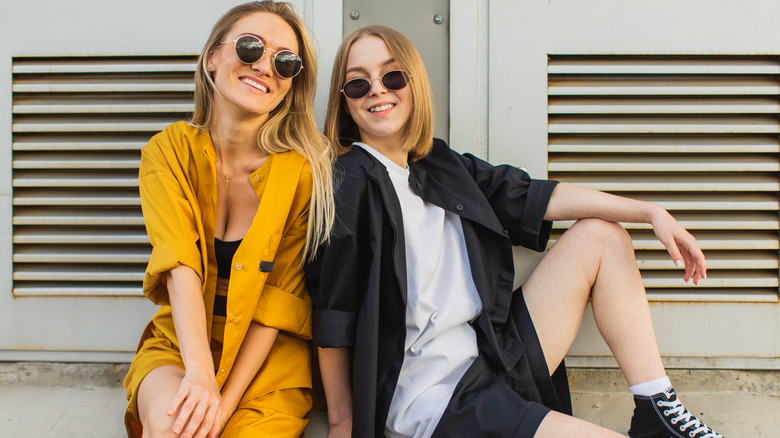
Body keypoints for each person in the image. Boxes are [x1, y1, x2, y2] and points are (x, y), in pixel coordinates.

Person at [305, 24, 725, 438]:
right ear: (344, 103)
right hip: (436, 396)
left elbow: (532, 197)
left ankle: (656, 406)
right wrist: (344, 426)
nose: (377, 89)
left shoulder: (436, 163)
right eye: (358, 84)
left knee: (603, 235)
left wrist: (652, 213)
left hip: (491, 354)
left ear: (414, 85)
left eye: (391, 76)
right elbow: (333, 317)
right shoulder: (349, 182)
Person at [122, 2, 334, 437]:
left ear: (291, 85)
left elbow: (278, 303)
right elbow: (180, 265)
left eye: (285, 61)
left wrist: (221, 403)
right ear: (212, 57)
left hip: (266, 366)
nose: (266, 66)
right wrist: (199, 373)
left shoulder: (304, 174)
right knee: (173, 428)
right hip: (181, 347)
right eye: (251, 46)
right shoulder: (167, 152)